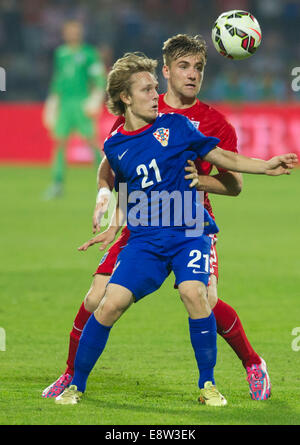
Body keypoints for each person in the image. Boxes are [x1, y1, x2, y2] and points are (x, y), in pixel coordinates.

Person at [41, 35, 279, 401]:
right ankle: (72, 376)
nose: (192, 74)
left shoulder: (212, 123)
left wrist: (200, 179)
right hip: (140, 220)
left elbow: (234, 186)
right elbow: (114, 168)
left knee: (202, 298)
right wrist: (110, 207)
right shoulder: (135, 117)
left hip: (188, 217)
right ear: (165, 71)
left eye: (199, 67)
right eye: (184, 66)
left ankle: (249, 363)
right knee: (95, 299)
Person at [42, 20, 106, 199]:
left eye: (76, 31)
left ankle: (105, 182)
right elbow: (58, 79)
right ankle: (57, 184)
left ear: (80, 33)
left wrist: (95, 98)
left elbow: (99, 77)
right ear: (64, 33)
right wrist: (52, 101)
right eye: (69, 31)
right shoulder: (60, 54)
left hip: (81, 102)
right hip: (65, 104)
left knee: (92, 142)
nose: (73, 34)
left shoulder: (89, 53)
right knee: (59, 142)